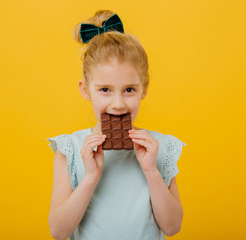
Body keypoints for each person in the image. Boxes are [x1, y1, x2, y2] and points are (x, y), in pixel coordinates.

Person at [47, 10, 187, 240]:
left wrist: (151, 171)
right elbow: (58, 231)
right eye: (105, 90)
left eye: (129, 90)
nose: (118, 103)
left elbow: (172, 227)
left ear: (144, 89)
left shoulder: (160, 147)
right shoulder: (70, 149)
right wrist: (90, 176)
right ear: (85, 90)